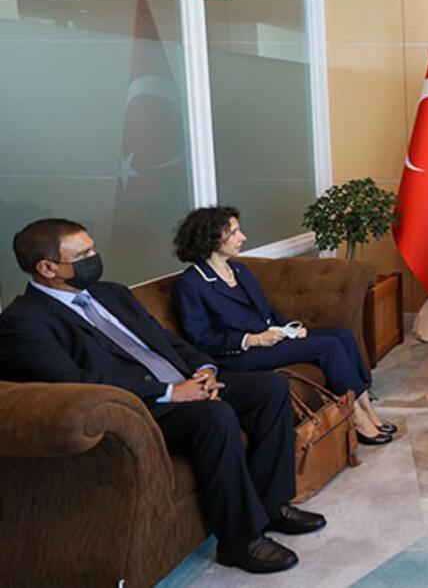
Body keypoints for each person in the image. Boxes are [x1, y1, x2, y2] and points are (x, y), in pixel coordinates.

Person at [0, 219, 324, 574]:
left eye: (93, 249)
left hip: (184, 381)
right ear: (47, 268)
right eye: (83, 255)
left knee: (270, 388)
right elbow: (74, 383)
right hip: (140, 408)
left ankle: (273, 505)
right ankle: (241, 541)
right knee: (215, 417)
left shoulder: (111, 293)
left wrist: (204, 370)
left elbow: (167, 341)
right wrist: (171, 392)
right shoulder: (24, 321)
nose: (95, 258)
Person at [171, 206, 395, 445]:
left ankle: (367, 408)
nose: (242, 237)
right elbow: (201, 340)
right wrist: (253, 339)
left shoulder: (238, 269)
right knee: (328, 346)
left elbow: (266, 310)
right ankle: (356, 419)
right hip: (239, 355)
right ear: (211, 238)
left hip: (271, 337)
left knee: (343, 335)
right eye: (234, 232)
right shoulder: (191, 284)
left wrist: (291, 328)